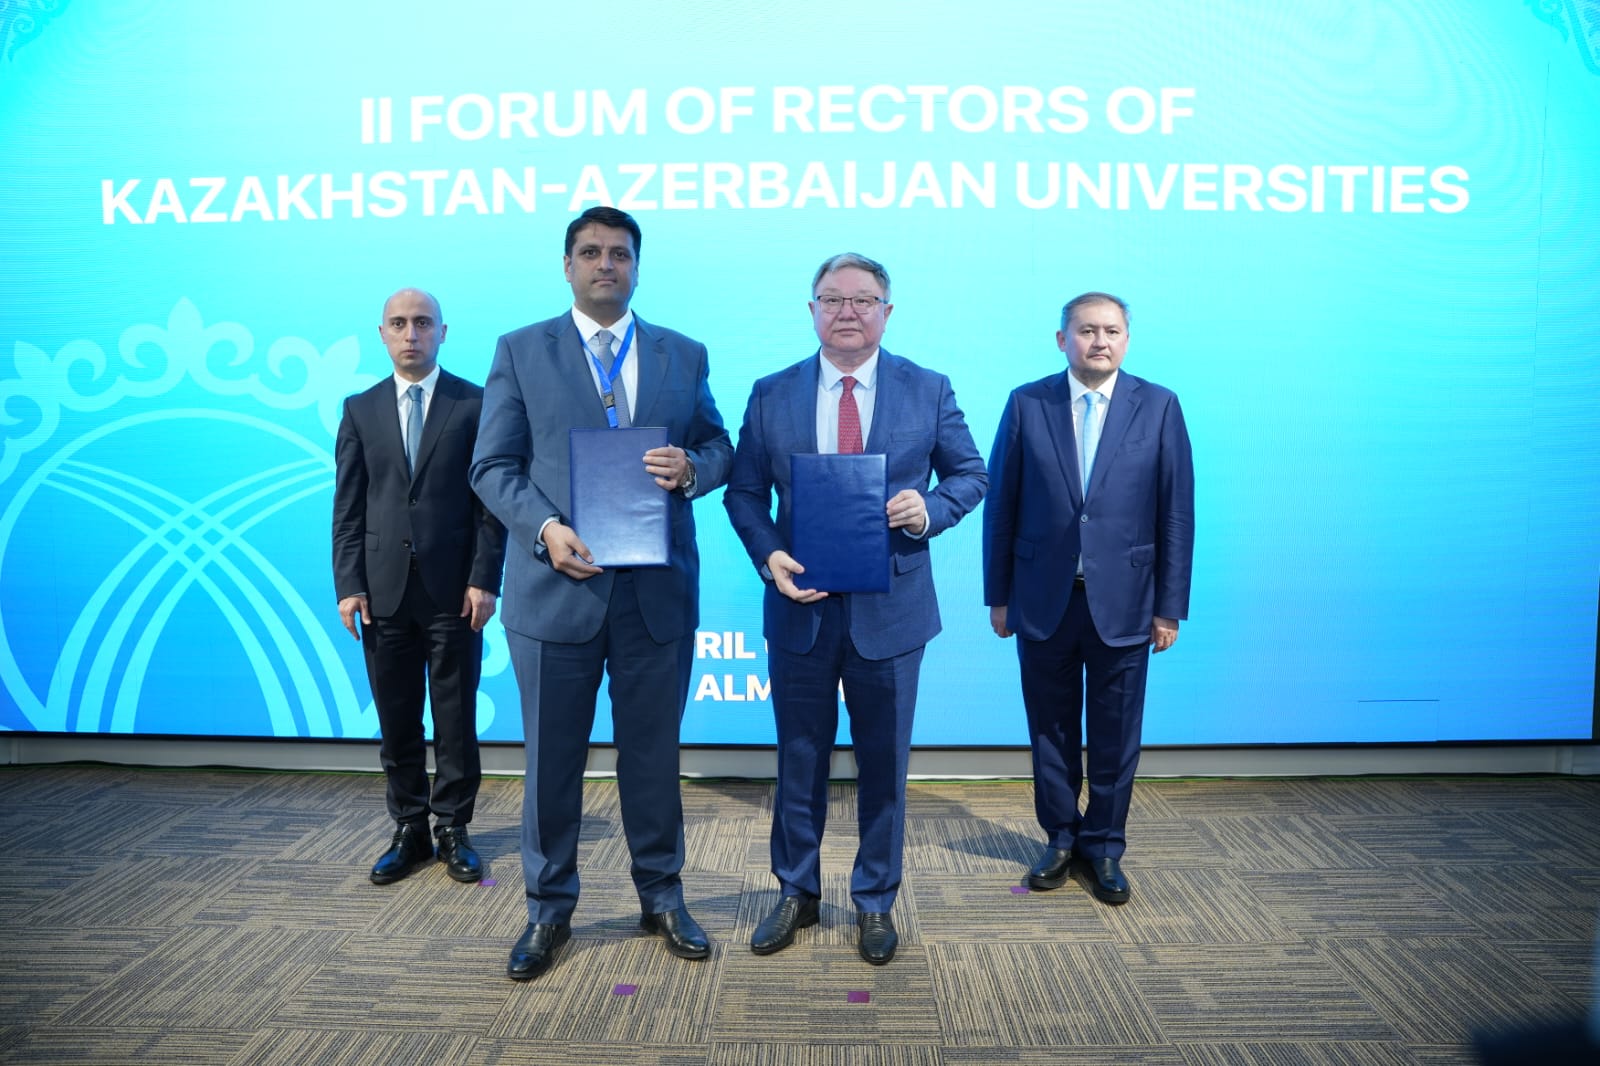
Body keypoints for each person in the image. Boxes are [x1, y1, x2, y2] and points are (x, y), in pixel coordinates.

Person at [469, 206, 733, 982]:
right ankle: (548, 909)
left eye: (620, 253)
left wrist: (693, 469)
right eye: (590, 252)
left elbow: (719, 445)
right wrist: (546, 528)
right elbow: (492, 468)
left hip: (655, 597)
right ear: (567, 266)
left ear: (638, 267)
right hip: (555, 592)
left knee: (653, 759)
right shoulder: (521, 350)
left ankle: (662, 897)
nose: (605, 264)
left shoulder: (684, 352)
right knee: (552, 765)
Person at [723, 252, 987, 965]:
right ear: (811, 310)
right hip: (800, 608)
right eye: (832, 299)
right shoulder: (772, 393)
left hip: (892, 612)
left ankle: (875, 900)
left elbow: (970, 474)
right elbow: (743, 493)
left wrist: (927, 511)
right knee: (798, 759)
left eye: (863, 300)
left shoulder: (927, 388)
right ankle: (796, 891)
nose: (847, 311)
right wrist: (769, 555)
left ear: (886, 313)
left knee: (884, 766)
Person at [982, 291, 1194, 905]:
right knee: (1048, 730)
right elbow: (1002, 507)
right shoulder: (1027, 403)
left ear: (1126, 339)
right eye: (1086, 330)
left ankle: (1103, 845)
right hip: (1042, 599)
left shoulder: (1159, 405)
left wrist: (1169, 606)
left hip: (1128, 603)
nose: (1099, 341)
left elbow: (1176, 513)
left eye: (1111, 331)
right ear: (1062, 340)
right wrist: (999, 595)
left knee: (1115, 734)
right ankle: (1059, 838)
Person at [332, 287, 507, 887]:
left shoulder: (475, 403)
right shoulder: (359, 409)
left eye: (423, 323)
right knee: (397, 717)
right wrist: (349, 584)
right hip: (382, 593)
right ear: (382, 332)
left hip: (454, 591)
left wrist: (485, 578)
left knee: (455, 718)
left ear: (442, 332)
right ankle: (409, 827)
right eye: (400, 323)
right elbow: (348, 507)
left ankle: (454, 827)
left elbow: (491, 506)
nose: (412, 334)